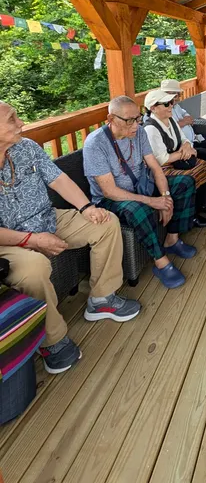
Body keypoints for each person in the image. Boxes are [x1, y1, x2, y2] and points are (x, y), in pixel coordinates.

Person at [0, 101, 140, 374]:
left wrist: (87, 208)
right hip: (8, 239)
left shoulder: (25, 147)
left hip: (47, 218)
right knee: (34, 268)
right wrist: (32, 240)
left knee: (106, 222)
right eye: (12, 119)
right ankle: (52, 340)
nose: (21, 123)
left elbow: (58, 180)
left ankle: (101, 299)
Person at [83, 96, 198, 290]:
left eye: (138, 118)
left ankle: (172, 238)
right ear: (110, 119)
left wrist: (165, 197)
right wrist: (153, 202)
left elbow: (155, 167)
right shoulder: (96, 144)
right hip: (111, 199)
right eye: (129, 120)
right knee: (138, 209)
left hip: (141, 185)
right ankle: (160, 261)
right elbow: (109, 191)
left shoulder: (139, 132)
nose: (136, 125)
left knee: (185, 182)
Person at [143, 89, 206, 227]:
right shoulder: (151, 129)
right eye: (167, 104)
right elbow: (162, 159)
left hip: (176, 160)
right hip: (161, 169)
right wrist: (185, 153)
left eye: (171, 102)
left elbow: (184, 138)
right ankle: (192, 215)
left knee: (204, 163)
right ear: (153, 108)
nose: (171, 106)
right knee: (191, 175)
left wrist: (187, 146)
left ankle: (202, 204)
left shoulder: (170, 120)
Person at [160, 79, 206, 199]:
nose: (179, 97)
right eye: (177, 94)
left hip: (194, 139)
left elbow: (186, 114)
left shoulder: (176, 106)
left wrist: (185, 119)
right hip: (183, 148)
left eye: (179, 94)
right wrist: (183, 122)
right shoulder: (162, 110)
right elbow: (167, 129)